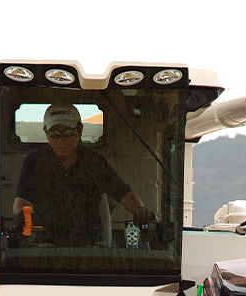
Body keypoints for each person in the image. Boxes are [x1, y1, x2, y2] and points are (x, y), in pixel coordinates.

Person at [13, 103, 149, 246]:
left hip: (90, 246)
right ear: (45, 132)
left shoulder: (94, 162)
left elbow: (124, 194)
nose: (61, 140)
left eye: (68, 133)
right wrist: (19, 217)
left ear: (79, 130)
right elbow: (21, 203)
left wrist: (140, 210)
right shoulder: (35, 162)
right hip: (48, 244)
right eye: (54, 133)